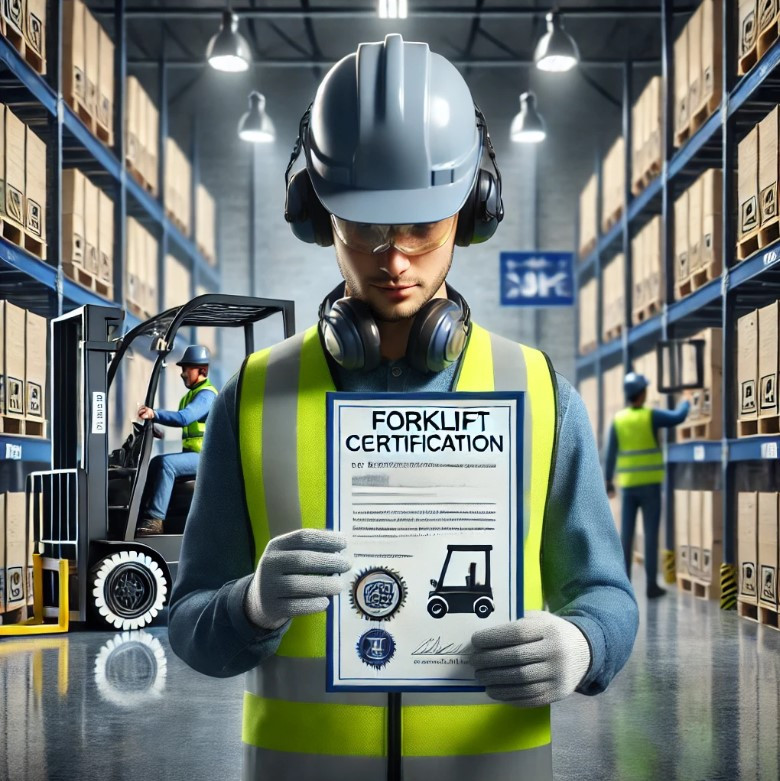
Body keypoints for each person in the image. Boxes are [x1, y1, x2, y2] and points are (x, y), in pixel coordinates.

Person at [169, 34, 638, 781]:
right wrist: (250, 604)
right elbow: (189, 623)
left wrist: (583, 644)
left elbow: (606, 591)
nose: (395, 258)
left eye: (422, 226)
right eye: (366, 227)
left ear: (472, 210)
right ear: (317, 213)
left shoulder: (538, 389)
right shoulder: (253, 398)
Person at [604, 371, 690, 598]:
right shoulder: (650, 416)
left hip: (629, 487)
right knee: (651, 536)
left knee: (627, 537)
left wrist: (608, 481)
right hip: (650, 486)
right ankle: (652, 585)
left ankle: (625, 588)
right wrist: (688, 400)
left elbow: (610, 453)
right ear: (641, 394)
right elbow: (677, 417)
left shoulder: (619, 420)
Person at [136, 345, 218, 535]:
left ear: (202, 370)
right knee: (156, 463)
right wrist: (153, 428)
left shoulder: (206, 395)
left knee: (167, 465)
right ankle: (142, 514)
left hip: (206, 457)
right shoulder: (191, 395)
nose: (182, 374)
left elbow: (183, 418)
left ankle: (155, 520)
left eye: (186, 369)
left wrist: (154, 414)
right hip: (193, 455)